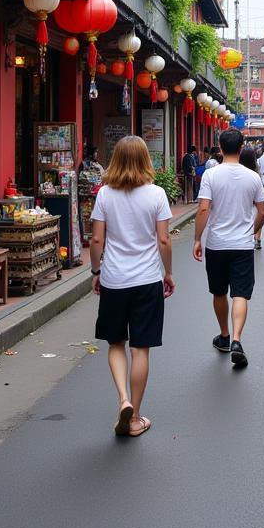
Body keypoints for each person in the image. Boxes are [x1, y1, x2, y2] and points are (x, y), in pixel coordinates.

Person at [89, 135, 175, 438]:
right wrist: (168, 273)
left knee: (115, 343)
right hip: (147, 279)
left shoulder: (105, 195)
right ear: (144, 159)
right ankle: (135, 415)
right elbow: (164, 240)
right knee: (141, 348)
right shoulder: (157, 194)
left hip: (114, 278)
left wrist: (96, 270)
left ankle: (122, 398)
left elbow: (97, 239)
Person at [193, 128, 264, 368]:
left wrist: (197, 238)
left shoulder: (211, 175)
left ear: (220, 146)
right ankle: (237, 339)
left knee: (219, 292)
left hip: (217, 244)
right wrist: (252, 230)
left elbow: (204, 209)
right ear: (243, 145)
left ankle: (224, 335)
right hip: (242, 246)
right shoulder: (253, 177)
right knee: (241, 293)